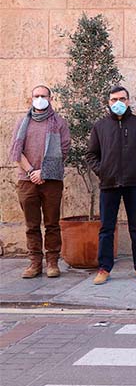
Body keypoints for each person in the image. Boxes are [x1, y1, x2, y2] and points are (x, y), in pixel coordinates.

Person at [85, 86, 136, 285]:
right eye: (114, 99)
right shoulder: (100, 126)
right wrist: (102, 171)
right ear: (108, 102)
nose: (118, 103)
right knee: (106, 228)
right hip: (108, 184)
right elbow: (91, 154)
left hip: (133, 184)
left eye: (122, 99)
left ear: (128, 101)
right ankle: (104, 268)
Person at [9, 85, 71, 279]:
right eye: (36, 95)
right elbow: (16, 151)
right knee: (31, 224)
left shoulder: (59, 122)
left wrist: (43, 172)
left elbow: (64, 149)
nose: (40, 98)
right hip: (26, 181)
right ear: (31, 98)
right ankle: (34, 263)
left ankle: (52, 262)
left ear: (50, 98)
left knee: (52, 223)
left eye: (43, 96)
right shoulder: (22, 123)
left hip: (51, 180)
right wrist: (31, 171)